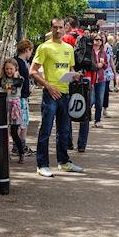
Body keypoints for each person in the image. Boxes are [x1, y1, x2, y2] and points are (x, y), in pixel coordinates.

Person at [30, 17, 83, 177]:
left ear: (65, 29)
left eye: (61, 27)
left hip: (65, 93)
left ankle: (64, 162)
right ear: (51, 28)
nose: (58, 30)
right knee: (46, 129)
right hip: (50, 93)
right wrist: (48, 86)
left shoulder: (68, 48)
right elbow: (32, 71)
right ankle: (42, 164)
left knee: (64, 131)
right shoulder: (44, 47)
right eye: (55, 27)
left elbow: (70, 68)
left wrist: (75, 76)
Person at [0, 58, 25, 163]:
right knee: (4, 131)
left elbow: (17, 84)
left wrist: (15, 77)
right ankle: (6, 153)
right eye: (7, 69)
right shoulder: (3, 80)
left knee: (14, 132)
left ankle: (21, 152)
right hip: (6, 105)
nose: (9, 71)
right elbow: (7, 91)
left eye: (11, 69)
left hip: (15, 106)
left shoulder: (20, 79)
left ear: (16, 69)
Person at [13, 39, 34, 156]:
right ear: (27, 50)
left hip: (21, 95)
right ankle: (20, 145)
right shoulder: (20, 63)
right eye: (31, 51)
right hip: (20, 96)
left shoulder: (19, 62)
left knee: (20, 121)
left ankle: (20, 145)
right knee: (23, 121)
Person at [101, 32, 116, 118]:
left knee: (106, 92)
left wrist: (114, 72)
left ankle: (105, 110)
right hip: (97, 73)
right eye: (100, 38)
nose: (102, 39)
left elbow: (111, 61)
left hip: (106, 73)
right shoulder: (95, 47)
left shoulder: (109, 48)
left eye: (103, 38)